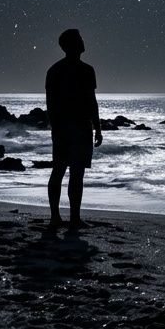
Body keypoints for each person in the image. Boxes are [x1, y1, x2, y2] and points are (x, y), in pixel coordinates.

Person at [45, 28, 102, 231]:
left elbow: (91, 101)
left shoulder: (59, 70)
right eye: (79, 39)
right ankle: (62, 217)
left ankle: (66, 218)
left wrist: (97, 127)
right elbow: (52, 104)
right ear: (71, 45)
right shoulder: (70, 70)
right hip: (72, 128)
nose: (83, 42)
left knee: (67, 172)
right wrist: (97, 127)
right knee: (65, 172)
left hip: (74, 128)